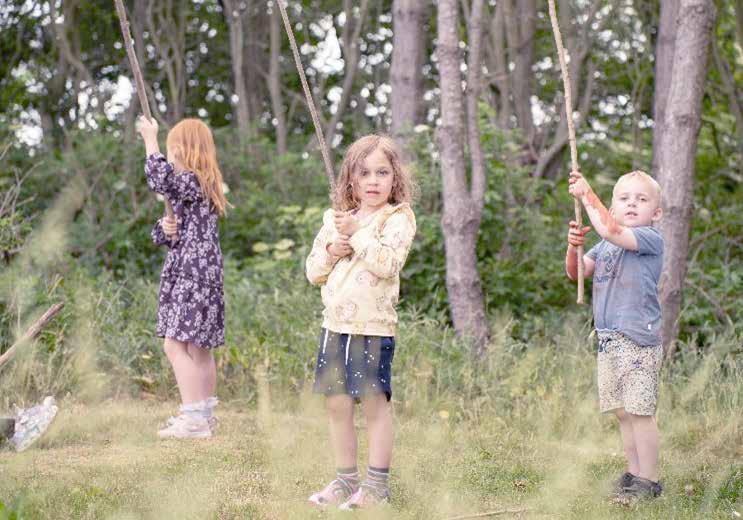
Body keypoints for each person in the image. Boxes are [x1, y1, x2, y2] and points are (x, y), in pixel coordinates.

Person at [305, 135, 417, 509]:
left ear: (395, 177)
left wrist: (358, 235)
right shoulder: (338, 218)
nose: (373, 181)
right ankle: (345, 480)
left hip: (372, 327)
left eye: (382, 173)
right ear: (350, 179)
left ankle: (376, 487)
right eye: (364, 173)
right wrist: (332, 249)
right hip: (335, 325)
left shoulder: (397, 218)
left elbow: (388, 264)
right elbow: (313, 272)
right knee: (337, 404)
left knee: (373, 404)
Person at [566, 169, 664, 501]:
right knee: (623, 411)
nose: (632, 204)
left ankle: (649, 480)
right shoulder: (605, 246)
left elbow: (612, 229)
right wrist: (573, 248)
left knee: (640, 410)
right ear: (613, 207)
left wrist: (586, 194)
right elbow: (577, 273)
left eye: (641, 199)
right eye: (624, 199)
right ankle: (634, 473)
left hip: (637, 340)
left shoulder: (649, 238)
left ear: (656, 213)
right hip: (609, 340)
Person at [137, 116, 228, 439]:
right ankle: (203, 416)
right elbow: (169, 234)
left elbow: (159, 180)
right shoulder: (198, 186)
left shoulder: (194, 180)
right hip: (200, 274)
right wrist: (165, 228)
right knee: (199, 349)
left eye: (171, 148)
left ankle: (193, 417)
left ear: (183, 149)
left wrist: (150, 139)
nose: (168, 154)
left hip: (193, 276)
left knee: (174, 345)